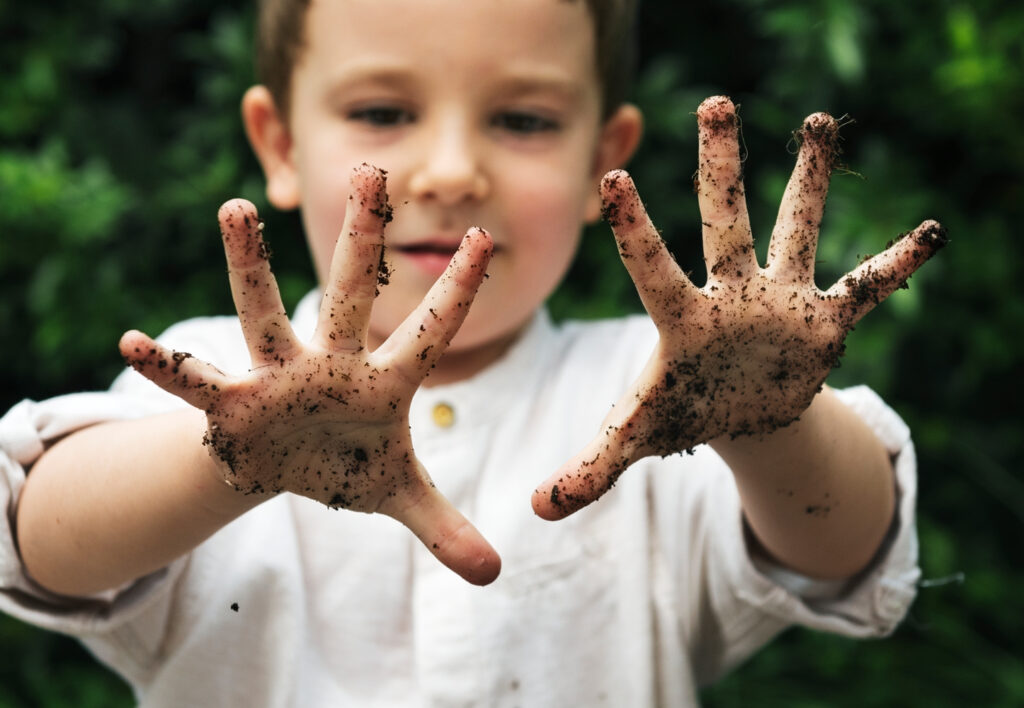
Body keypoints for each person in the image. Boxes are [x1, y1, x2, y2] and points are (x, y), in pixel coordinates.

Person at [0, 0, 947, 704]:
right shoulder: (212, 387)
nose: (451, 169)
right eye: (380, 111)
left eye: (524, 120)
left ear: (599, 158)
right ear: (278, 143)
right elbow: (38, 541)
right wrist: (229, 460)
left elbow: (849, 551)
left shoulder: (647, 399)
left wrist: (764, 418)